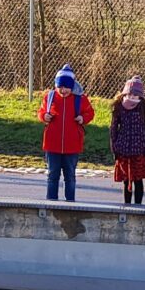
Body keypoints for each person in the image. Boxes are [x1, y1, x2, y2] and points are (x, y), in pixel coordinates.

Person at [38, 64, 95, 201]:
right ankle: (51, 201)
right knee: (52, 175)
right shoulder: (50, 97)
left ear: (72, 86)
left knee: (70, 175)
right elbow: (41, 112)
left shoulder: (79, 99)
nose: (63, 90)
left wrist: (82, 118)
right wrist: (44, 116)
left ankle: (70, 201)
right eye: (60, 87)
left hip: (72, 145)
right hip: (52, 144)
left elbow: (90, 113)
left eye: (66, 87)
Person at [110, 75, 145, 205]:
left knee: (138, 180)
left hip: (139, 151)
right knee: (126, 180)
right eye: (129, 95)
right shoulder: (119, 108)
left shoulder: (144, 109)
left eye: (135, 95)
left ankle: (138, 206)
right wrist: (115, 148)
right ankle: (127, 205)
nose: (132, 98)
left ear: (140, 96)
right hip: (123, 150)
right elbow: (113, 129)